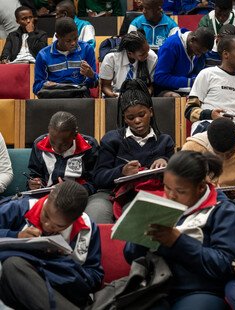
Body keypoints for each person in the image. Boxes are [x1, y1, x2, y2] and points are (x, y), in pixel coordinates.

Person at [124, 150, 235, 309]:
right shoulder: (158, 206)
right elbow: (131, 257)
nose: (171, 196)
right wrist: (138, 237)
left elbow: (225, 265)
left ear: (201, 187)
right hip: (155, 287)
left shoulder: (225, 213)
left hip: (200, 291)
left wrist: (177, 242)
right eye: (167, 187)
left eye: (180, 191)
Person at [0, 180, 103, 309]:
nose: (48, 226)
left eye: (59, 225)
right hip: (19, 280)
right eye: (46, 215)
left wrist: (63, 263)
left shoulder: (88, 228)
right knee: (13, 265)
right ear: (48, 197)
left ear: (75, 220)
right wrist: (16, 236)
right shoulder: (20, 208)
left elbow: (95, 276)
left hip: (61, 287)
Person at [87, 79, 175, 223]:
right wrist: (122, 171)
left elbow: (177, 174)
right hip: (110, 192)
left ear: (151, 112)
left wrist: (166, 161)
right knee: (96, 214)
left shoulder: (164, 141)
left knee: (135, 214)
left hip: (150, 192)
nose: (137, 121)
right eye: (131, 118)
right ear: (124, 119)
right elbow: (98, 178)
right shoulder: (112, 139)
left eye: (142, 115)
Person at [185, 35, 235, 146]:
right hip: (208, 125)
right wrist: (211, 114)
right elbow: (189, 110)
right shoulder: (207, 74)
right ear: (226, 54)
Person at [182, 117, 235, 214]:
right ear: (209, 141)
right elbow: (179, 183)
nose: (223, 157)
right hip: (198, 202)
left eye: (230, 153)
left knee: (224, 212)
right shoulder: (192, 149)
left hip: (234, 204)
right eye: (218, 153)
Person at [27, 111, 98, 197]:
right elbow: (35, 175)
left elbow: (95, 182)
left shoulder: (89, 146)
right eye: (52, 142)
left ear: (75, 135)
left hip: (78, 197)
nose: (57, 148)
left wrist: (72, 190)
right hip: (47, 196)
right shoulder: (39, 144)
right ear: (48, 130)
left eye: (63, 145)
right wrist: (33, 184)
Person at [33, 16, 98, 97]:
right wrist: (47, 84)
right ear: (57, 37)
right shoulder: (43, 55)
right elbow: (36, 88)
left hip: (79, 96)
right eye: (68, 40)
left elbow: (94, 84)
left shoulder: (86, 49)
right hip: (54, 97)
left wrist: (91, 75)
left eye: (76, 38)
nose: (74, 43)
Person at [153, 27, 214, 97]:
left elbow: (194, 73)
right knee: (176, 97)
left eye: (202, 53)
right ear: (192, 40)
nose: (199, 55)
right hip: (164, 89)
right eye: (198, 51)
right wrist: (189, 82)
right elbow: (159, 78)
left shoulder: (198, 47)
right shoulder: (171, 46)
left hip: (185, 89)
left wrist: (196, 79)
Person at [99, 31, 157, 98]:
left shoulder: (152, 58)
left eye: (148, 50)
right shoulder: (111, 58)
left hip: (141, 97)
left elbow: (152, 85)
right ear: (130, 53)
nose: (147, 55)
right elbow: (105, 86)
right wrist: (113, 95)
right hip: (115, 96)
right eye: (142, 54)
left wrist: (145, 95)